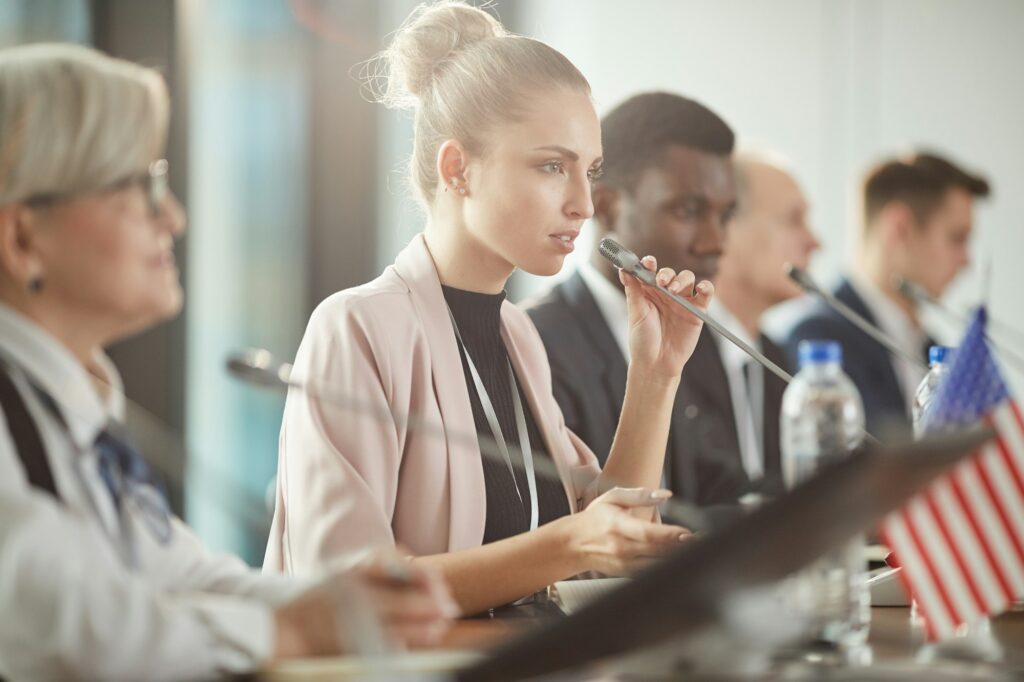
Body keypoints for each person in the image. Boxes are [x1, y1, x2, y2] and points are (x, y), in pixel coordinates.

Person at [0, 43, 454, 681]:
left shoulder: (67, 398)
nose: (175, 218)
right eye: (141, 187)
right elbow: (70, 627)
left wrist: (336, 601)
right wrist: (289, 628)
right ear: (23, 239)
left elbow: (176, 573)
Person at [266, 2, 711, 616]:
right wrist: (567, 544)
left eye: (591, 170)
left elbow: (605, 539)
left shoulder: (517, 334)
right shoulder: (356, 328)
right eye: (552, 166)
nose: (583, 202)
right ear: (458, 169)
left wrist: (655, 374)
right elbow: (349, 594)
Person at [528, 92, 759, 508]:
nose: (716, 243)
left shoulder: (695, 335)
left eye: (724, 217)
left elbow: (719, 492)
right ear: (608, 208)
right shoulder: (538, 343)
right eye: (688, 211)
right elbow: (565, 522)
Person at [786, 151, 990, 434]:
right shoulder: (819, 337)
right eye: (956, 238)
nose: (966, 260)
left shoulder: (930, 345)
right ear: (900, 228)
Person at [707, 152, 821, 497]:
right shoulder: (671, 358)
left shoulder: (775, 356)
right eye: (793, 220)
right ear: (725, 228)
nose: (814, 242)